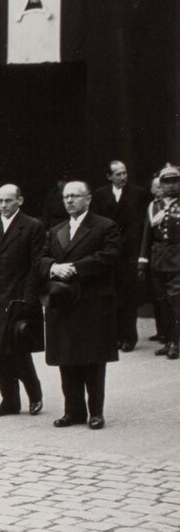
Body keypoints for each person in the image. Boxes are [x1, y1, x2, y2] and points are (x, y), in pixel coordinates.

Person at [39, 180, 122, 429]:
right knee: (67, 359)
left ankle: (95, 412)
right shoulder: (55, 230)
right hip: (63, 303)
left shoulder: (105, 226)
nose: (70, 201)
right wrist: (53, 267)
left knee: (93, 361)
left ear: (88, 199)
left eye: (75, 196)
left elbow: (110, 256)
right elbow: (41, 258)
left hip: (92, 303)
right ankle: (72, 411)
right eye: (66, 197)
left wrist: (75, 268)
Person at [0, 184, 45, 417]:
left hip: (17, 296)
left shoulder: (32, 226)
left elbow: (36, 267)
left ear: (20, 201)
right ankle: (10, 400)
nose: (3, 205)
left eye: (8, 200)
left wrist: (28, 299)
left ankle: (34, 394)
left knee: (17, 350)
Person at [91, 161, 149, 352]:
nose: (123, 177)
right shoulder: (100, 195)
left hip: (129, 252)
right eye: (118, 174)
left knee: (128, 297)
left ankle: (128, 338)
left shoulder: (138, 193)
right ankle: (114, 337)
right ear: (109, 177)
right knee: (111, 296)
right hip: (109, 251)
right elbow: (97, 222)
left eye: (124, 173)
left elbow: (143, 222)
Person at [138, 165, 180, 360]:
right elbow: (147, 234)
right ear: (160, 185)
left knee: (175, 302)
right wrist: (142, 261)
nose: (171, 186)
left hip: (178, 258)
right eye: (166, 182)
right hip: (158, 259)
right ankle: (169, 339)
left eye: (174, 181)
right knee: (162, 302)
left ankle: (175, 342)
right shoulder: (154, 206)